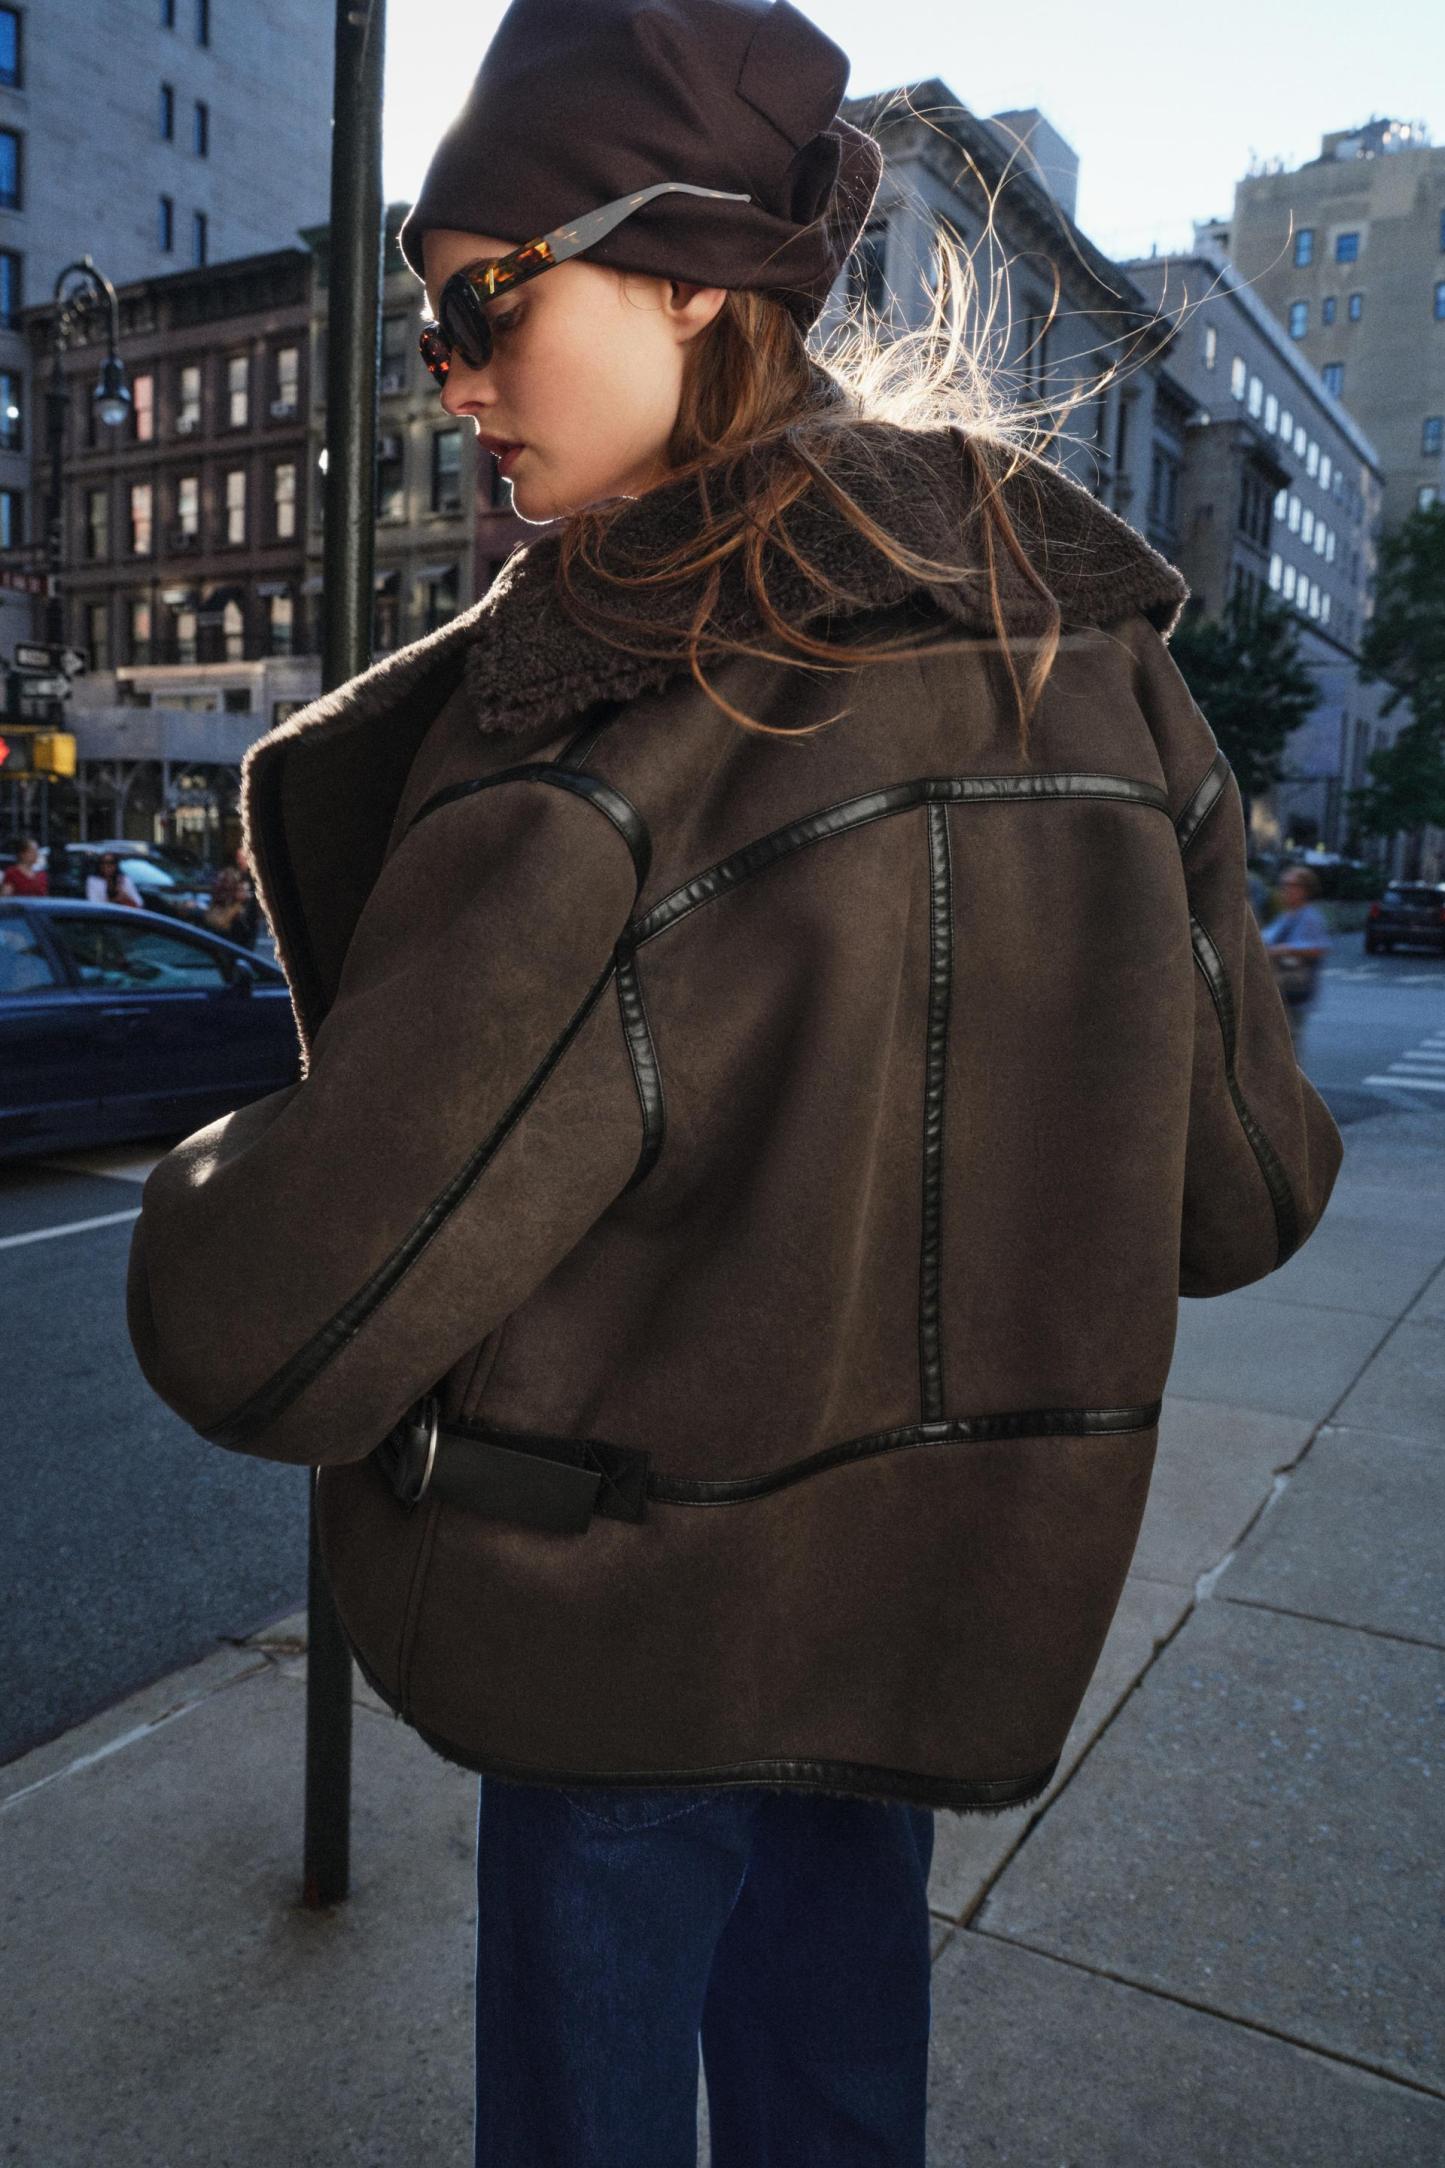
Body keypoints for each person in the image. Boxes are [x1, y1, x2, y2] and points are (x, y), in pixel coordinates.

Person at [124, 4, 1344, 2162]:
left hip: (633, 1628)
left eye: (485, 306)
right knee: (837, 2097)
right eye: (432, 329)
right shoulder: (1099, 665)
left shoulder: (615, 713)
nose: (454, 378)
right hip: (925, 1615)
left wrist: (216, 1177)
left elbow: (274, 1319)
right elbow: (1246, 1194)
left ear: (691, 274)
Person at [1262, 863, 1332, 1048]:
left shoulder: (1310, 917)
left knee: (1287, 1044)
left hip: (1294, 988)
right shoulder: (1287, 916)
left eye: (1291, 885)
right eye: (1283, 884)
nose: (1285, 890)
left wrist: (1282, 949)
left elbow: (1319, 948)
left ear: (1305, 890)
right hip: (1280, 989)